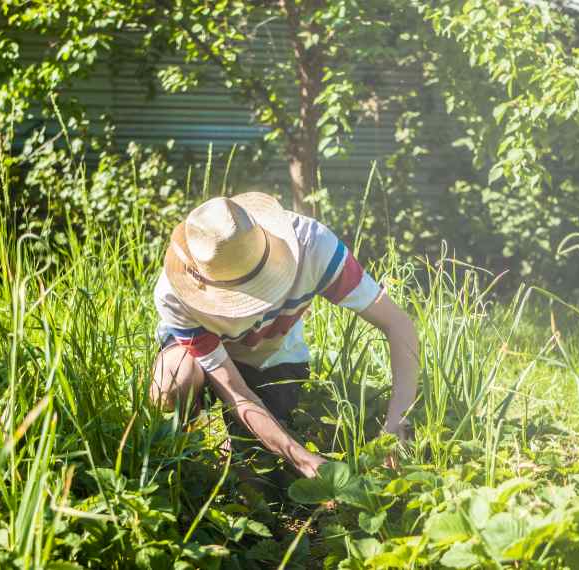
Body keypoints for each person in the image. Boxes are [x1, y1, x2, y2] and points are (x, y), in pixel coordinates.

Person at [149, 191, 418, 478]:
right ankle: (189, 441)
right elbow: (238, 394)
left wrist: (396, 424)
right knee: (172, 383)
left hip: (271, 354)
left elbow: (398, 324)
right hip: (203, 360)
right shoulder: (175, 293)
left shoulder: (313, 247)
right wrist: (304, 460)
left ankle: (234, 446)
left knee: (256, 469)